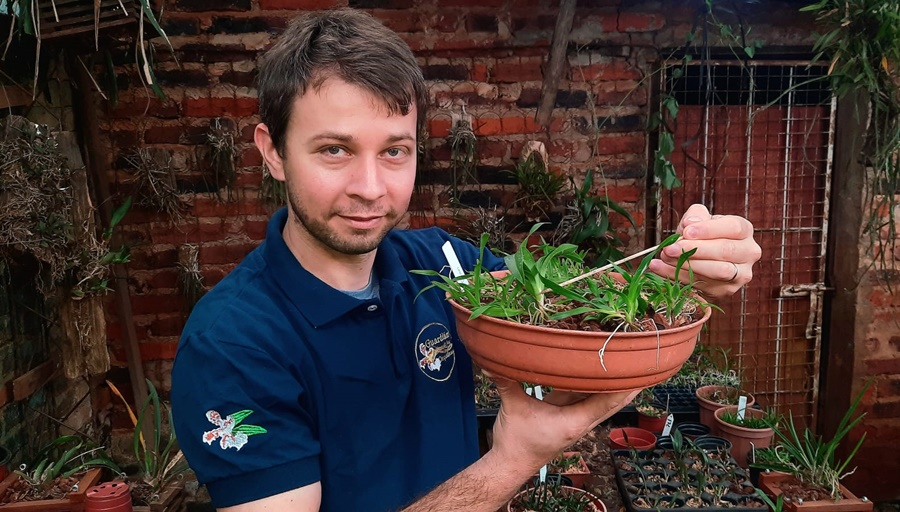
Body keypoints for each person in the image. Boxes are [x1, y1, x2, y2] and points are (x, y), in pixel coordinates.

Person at [170, 8, 761, 512]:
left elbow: (570, 298)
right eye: (334, 150)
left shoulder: (439, 262)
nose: (371, 187)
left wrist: (685, 270)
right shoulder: (233, 345)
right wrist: (514, 459)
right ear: (272, 153)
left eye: (395, 151)